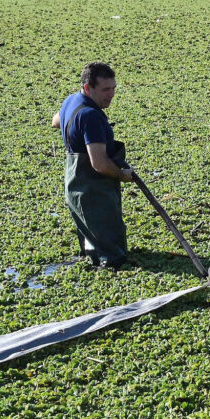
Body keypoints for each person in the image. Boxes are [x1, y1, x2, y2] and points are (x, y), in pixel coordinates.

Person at [51, 62, 134, 269]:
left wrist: (75, 132)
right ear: (88, 88)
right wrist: (123, 175)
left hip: (75, 185)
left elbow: (56, 121)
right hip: (94, 190)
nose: (112, 94)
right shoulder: (91, 116)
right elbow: (99, 164)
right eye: (105, 90)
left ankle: (95, 260)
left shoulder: (71, 100)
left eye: (114, 88)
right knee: (113, 258)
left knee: (91, 240)